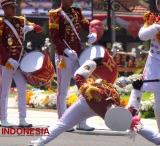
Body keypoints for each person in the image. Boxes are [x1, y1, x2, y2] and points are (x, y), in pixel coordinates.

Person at [29, 60, 160, 146]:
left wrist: (91, 63)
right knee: (62, 124)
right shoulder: (91, 90)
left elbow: (78, 76)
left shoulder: (117, 105)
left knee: (136, 126)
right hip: (85, 103)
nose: (113, 106)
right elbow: (133, 110)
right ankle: (40, 142)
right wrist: (137, 91)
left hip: (87, 102)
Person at [49, 0, 98, 131]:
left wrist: (93, 32)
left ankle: (81, 122)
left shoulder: (77, 12)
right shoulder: (55, 14)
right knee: (62, 90)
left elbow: (87, 25)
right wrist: (66, 50)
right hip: (64, 56)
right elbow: (55, 37)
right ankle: (63, 121)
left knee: (83, 88)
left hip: (78, 56)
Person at [0, 0, 42, 127]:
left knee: (22, 89)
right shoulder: (1, 24)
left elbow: (39, 28)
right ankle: (3, 118)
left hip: (19, 62)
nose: (14, 9)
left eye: (14, 7)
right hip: (7, 63)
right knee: (4, 91)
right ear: (4, 8)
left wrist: (31, 28)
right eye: (11, 7)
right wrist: (8, 59)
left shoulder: (20, 21)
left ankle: (22, 119)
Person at [138, 0, 160, 132]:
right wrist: (157, 27)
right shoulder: (153, 19)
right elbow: (142, 35)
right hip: (156, 64)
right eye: (159, 1)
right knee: (159, 104)